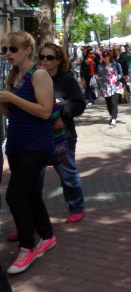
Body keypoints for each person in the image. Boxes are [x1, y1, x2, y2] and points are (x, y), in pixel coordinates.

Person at [0, 31, 56, 274]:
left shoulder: (39, 74)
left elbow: (44, 111)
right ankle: (47, 235)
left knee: (15, 195)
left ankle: (27, 247)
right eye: (3, 50)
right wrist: (4, 100)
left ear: (27, 50)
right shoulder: (14, 76)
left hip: (36, 144)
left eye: (12, 49)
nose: (7, 54)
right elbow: (12, 115)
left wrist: (11, 96)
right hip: (17, 142)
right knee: (31, 193)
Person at [39, 43, 87, 223]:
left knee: (67, 173)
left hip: (62, 135)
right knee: (32, 179)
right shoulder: (34, 78)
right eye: (42, 57)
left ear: (59, 60)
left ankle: (77, 207)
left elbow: (79, 104)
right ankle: (30, 219)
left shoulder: (66, 80)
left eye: (49, 57)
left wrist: (60, 107)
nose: (45, 61)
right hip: (38, 136)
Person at [97, 50, 124, 128]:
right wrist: (99, 78)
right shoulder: (100, 66)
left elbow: (121, 73)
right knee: (108, 104)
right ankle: (112, 115)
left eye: (107, 57)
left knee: (113, 102)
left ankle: (114, 119)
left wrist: (118, 77)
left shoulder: (116, 64)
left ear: (109, 57)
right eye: (104, 57)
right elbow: (98, 75)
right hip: (106, 87)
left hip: (115, 85)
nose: (105, 59)